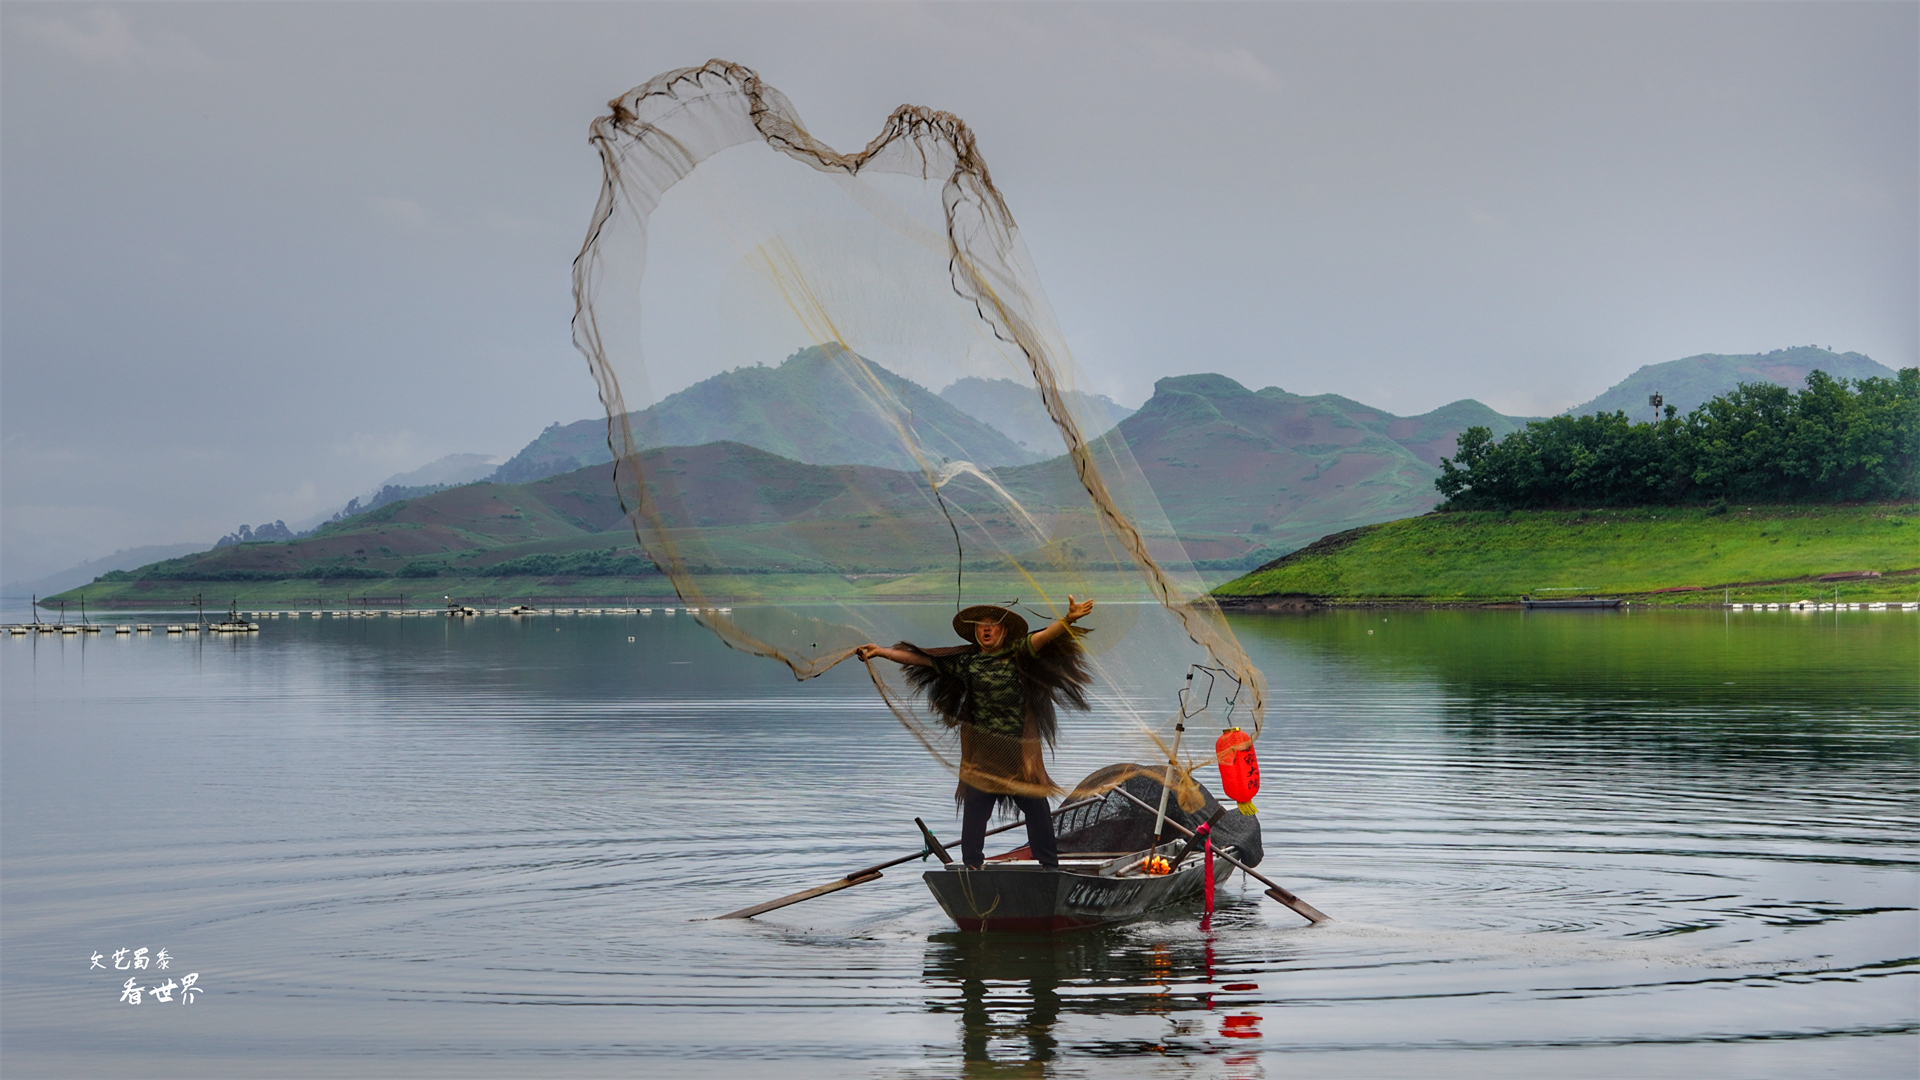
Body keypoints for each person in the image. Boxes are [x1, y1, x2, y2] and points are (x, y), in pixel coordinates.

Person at [856, 597, 1095, 869]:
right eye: (982, 626)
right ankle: (972, 868)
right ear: (975, 633)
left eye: (993, 625)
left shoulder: (1018, 652)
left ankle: (1050, 868)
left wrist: (1068, 620)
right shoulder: (965, 662)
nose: (987, 629)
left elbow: (1044, 637)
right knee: (975, 812)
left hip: (1018, 755)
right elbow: (921, 659)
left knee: (1037, 808)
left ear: (1004, 632)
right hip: (983, 757)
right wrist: (880, 652)